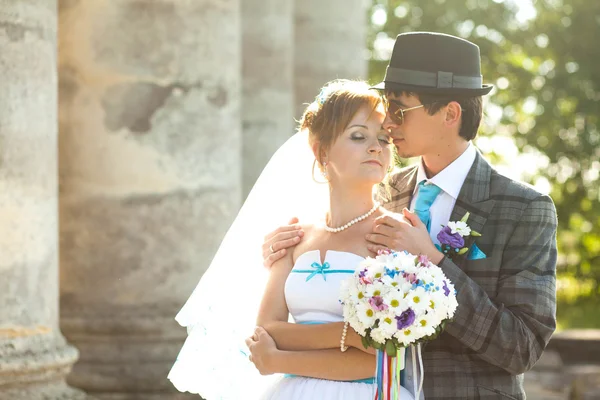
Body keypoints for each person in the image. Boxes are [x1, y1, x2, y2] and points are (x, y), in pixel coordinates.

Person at [262, 32, 558, 400]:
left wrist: (434, 262)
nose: (388, 125)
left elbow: (521, 348)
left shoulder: (523, 209)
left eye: (399, 110)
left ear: (450, 114)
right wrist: (286, 251)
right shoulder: (383, 191)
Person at [168, 79, 415, 399]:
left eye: (383, 139)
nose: (375, 147)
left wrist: (281, 359)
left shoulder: (393, 235)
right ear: (320, 150)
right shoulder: (295, 236)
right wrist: (350, 337)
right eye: (358, 136)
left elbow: (382, 359)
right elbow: (267, 330)